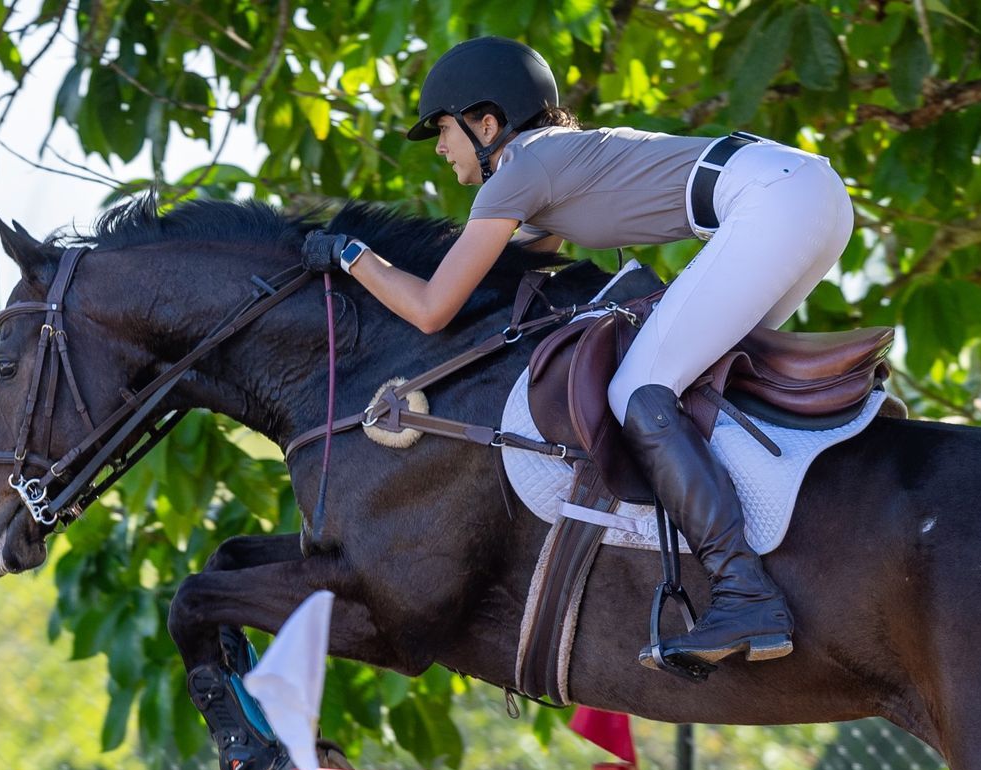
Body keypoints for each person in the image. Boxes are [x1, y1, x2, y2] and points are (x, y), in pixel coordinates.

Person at [301, 36, 856, 670]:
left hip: (773, 202)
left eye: (444, 130)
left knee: (639, 393)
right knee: (698, 388)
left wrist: (351, 256)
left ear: (488, 123)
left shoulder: (519, 172)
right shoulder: (547, 170)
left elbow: (432, 310)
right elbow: (498, 284)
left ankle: (745, 593)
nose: (441, 148)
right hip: (809, 195)